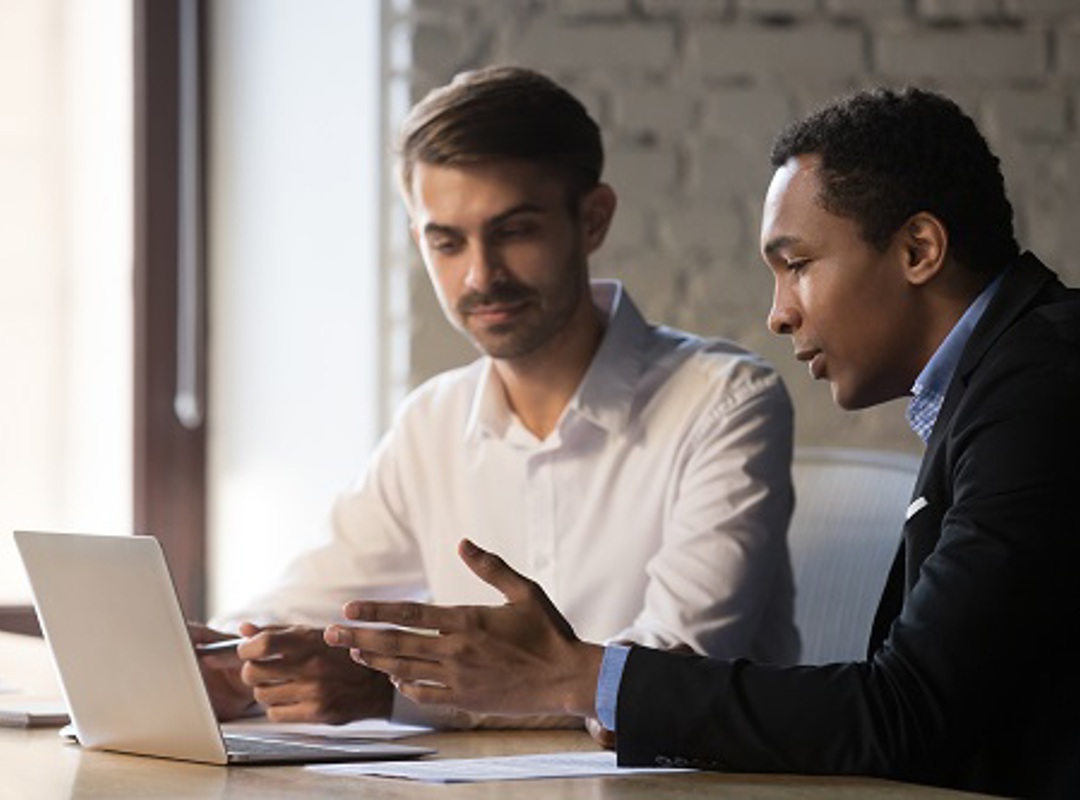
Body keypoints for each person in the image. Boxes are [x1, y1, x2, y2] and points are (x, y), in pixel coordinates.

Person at [325, 86, 1080, 799]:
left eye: (798, 265)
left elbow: (905, 714)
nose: (778, 315)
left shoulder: (1041, 386)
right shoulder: (1004, 375)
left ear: (918, 249)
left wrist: (577, 675)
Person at [196, 65, 799, 729]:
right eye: (447, 242)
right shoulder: (433, 421)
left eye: (514, 232)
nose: (481, 275)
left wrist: (389, 695)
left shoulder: (726, 403)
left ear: (592, 219)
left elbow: (668, 677)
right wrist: (234, 662)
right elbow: (307, 603)